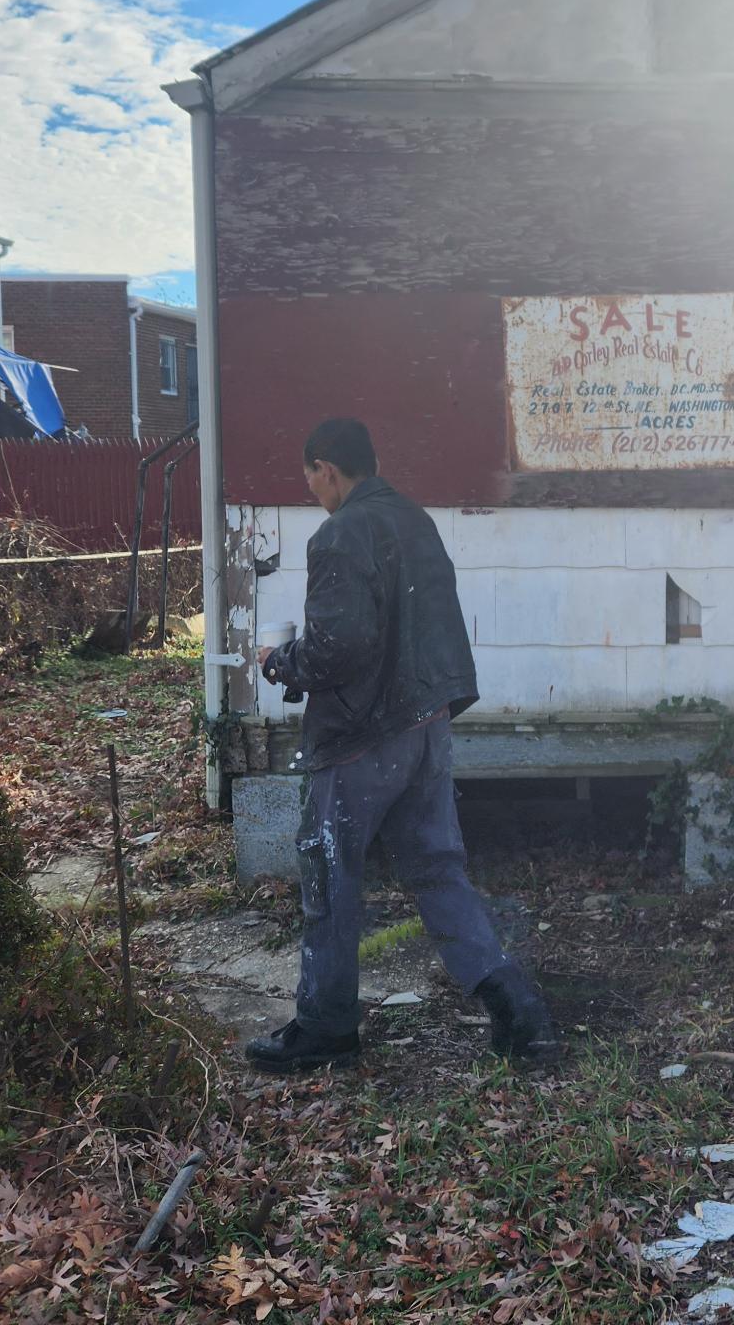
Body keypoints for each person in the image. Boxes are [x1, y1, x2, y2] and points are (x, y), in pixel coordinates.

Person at [246, 417, 560, 1073]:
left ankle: (326, 1028)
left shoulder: (340, 533)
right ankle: (518, 1010)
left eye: (310, 477)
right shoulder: (415, 520)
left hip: (364, 737)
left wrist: (280, 662)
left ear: (327, 468)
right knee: (436, 869)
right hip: (427, 724)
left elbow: (339, 646)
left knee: (330, 875)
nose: (311, 490)